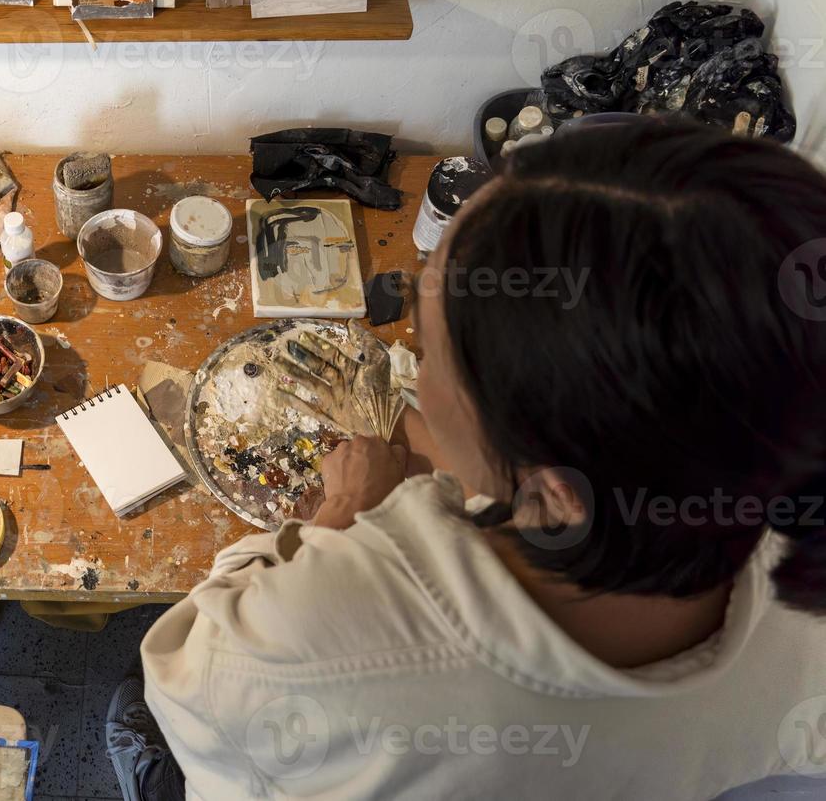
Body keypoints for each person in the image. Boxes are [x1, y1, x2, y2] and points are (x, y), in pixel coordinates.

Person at [110, 120, 826, 799]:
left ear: (553, 496)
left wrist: (340, 516)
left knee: (136, 719)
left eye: (428, 351)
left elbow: (185, 680)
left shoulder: (310, 641)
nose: (414, 375)